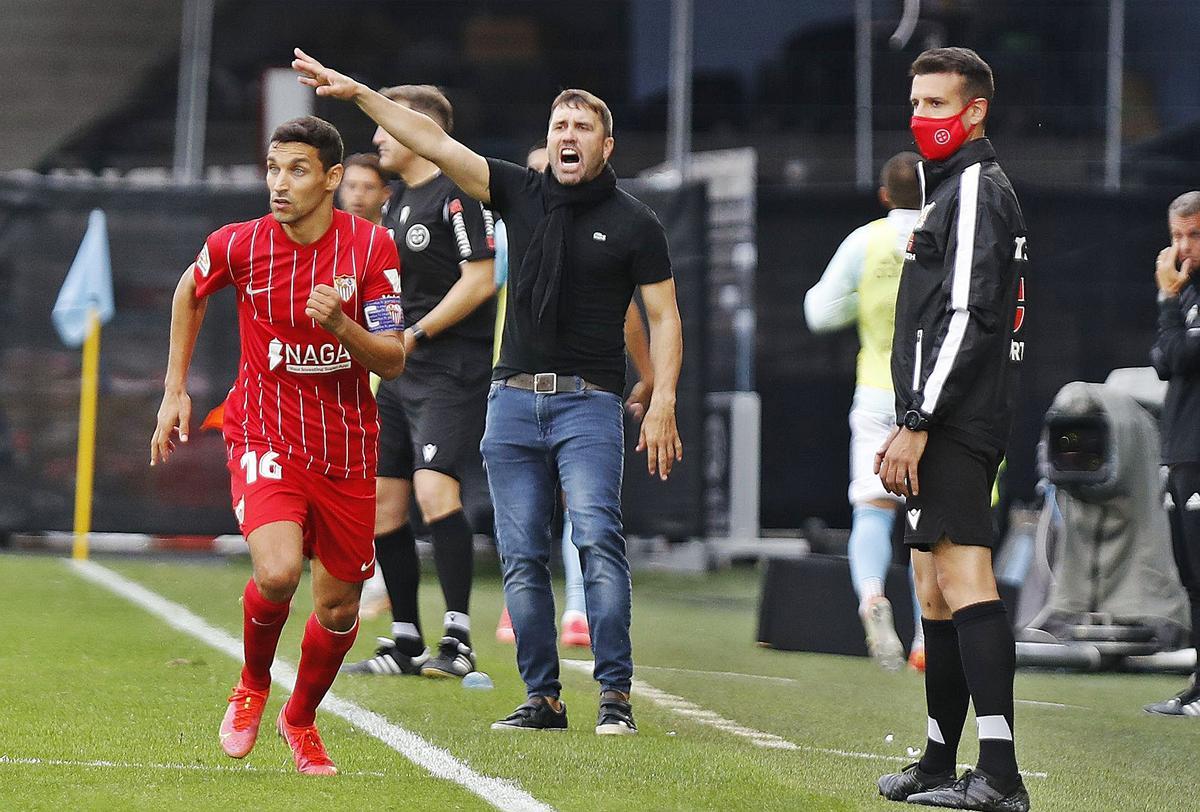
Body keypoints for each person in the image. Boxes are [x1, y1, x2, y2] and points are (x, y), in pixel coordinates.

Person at [292, 48, 684, 736]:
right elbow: (432, 140)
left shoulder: (635, 223)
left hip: (588, 401)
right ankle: (544, 698)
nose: (568, 134)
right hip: (510, 401)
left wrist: (664, 401)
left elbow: (663, 316)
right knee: (521, 553)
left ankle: (615, 695)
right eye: (560, 124)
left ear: (606, 144)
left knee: (596, 539)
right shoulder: (516, 191)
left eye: (583, 127)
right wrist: (357, 93)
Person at [150, 116, 405, 775]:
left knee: (340, 606)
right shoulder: (238, 244)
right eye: (271, 169)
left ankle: (300, 718)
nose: (279, 183)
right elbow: (190, 288)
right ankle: (254, 685)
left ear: (331, 178)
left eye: (295, 170)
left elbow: (393, 359)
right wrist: (175, 387)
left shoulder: (372, 251)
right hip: (265, 431)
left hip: (348, 449)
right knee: (276, 570)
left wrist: (343, 324)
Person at [874, 48, 1030, 810]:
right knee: (932, 588)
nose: (921, 119)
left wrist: (916, 420)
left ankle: (999, 775)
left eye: (937, 105)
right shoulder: (955, 191)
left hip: (956, 420)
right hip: (943, 417)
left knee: (963, 579)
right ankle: (940, 760)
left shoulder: (973, 190)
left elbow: (967, 317)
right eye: (916, 104)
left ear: (975, 111)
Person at [341, 85, 497, 680]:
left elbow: (480, 280)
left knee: (436, 491)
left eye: (385, 125)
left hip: (450, 370)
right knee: (383, 502)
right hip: (402, 375)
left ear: (415, 128)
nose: (377, 137)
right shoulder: (401, 200)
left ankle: (458, 640)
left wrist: (418, 334)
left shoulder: (460, 193)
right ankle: (405, 639)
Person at [492, 141, 654, 649]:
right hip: (516, 386)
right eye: (535, 172)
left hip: (584, 394)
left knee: (589, 522)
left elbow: (631, 313)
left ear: (604, 148)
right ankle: (541, 684)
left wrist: (652, 381)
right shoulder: (513, 221)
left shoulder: (622, 224)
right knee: (523, 539)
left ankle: (581, 613)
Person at [804, 151, 926, 672]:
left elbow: (818, 311)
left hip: (878, 393)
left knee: (872, 512)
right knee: (932, 525)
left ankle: (872, 595)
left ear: (884, 195)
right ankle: (927, 640)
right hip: (933, 399)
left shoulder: (867, 240)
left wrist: (869, 300)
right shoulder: (946, 234)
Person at [1148, 190, 1200, 717]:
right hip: (1183, 446)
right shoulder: (1186, 291)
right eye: (1177, 235)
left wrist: (1167, 305)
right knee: (1191, 576)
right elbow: (1165, 359)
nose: (1183, 246)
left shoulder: (1180, 295)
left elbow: (1179, 353)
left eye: (1195, 234)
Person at [338, 152, 391, 224]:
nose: (358, 194)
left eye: (369, 187)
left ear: (385, 194)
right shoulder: (325, 231)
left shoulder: (395, 232)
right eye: (351, 186)